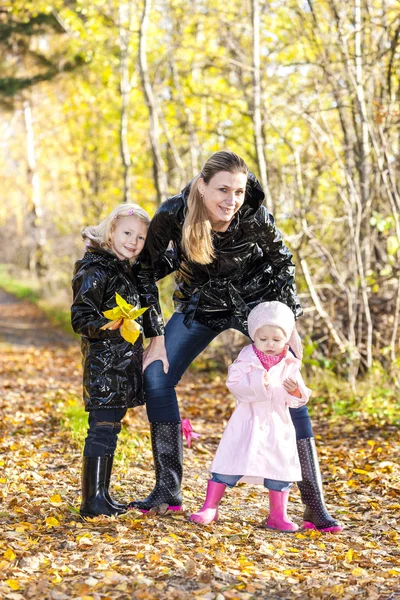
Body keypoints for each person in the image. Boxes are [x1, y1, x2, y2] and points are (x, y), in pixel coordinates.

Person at [130, 150, 342, 532]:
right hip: (201, 304)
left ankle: (313, 504)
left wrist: (286, 322)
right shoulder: (173, 214)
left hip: (257, 304)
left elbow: (282, 261)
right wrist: (156, 334)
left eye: (239, 191)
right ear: (202, 186)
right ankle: (167, 491)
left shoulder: (253, 212)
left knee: (289, 384)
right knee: (157, 375)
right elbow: (145, 271)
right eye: (223, 190)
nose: (231, 200)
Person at [190, 301, 312, 531]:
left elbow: (299, 397)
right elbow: (234, 384)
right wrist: (257, 382)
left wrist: (295, 391)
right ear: (253, 338)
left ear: (286, 339)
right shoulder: (246, 359)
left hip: (277, 423)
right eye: (263, 339)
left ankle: (277, 515)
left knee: (279, 469)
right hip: (247, 421)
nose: (269, 345)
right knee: (229, 463)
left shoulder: (290, 364)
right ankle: (210, 507)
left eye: (276, 340)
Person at [71, 203, 150, 518]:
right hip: (104, 367)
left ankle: (101, 494)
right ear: (112, 230)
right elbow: (80, 317)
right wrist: (110, 323)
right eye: (127, 233)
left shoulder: (124, 267)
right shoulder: (96, 269)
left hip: (120, 368)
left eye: (140, 238)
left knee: (110, 428)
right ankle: (92, 502)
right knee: (101, 429)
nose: (133, 241)